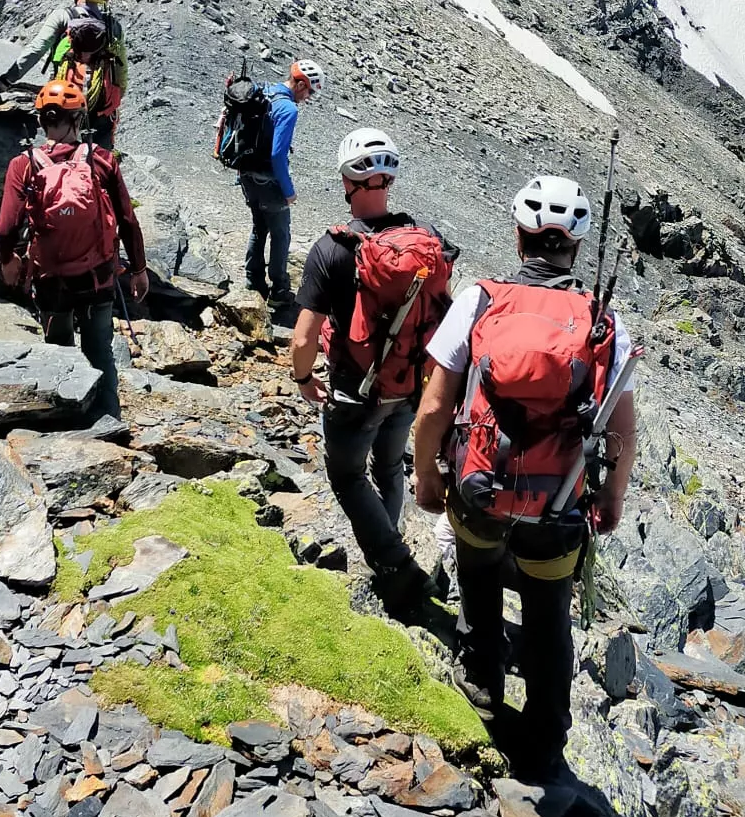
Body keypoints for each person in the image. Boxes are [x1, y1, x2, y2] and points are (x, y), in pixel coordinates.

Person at [411, 175, 638, 779]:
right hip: (558, 506)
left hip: (479, 490)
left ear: (519, 237)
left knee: (479, 581)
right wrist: (611, 499)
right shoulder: (603, 321)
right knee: (548, 614)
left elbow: (434, 406)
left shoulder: (479, 300)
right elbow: (623, 431)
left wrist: (427, 476)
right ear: (578, 246)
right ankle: (544, 738)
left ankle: (482, 687)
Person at [290, 129, 457, 615]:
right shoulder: (427, 240)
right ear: (389, 179)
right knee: (387, 466)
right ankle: (391, 545)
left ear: (347, 180)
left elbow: (304, 337)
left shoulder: (333, 249)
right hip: (408, 385)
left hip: (354, 387)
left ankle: (395, 568)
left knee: (345, 474)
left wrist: (303, 379)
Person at [0, 79, 148, 434]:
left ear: (41, 121)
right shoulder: (101, 159)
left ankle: (66, 428)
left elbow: (5, 227)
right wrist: (138, 269)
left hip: (51, 278)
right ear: (79, 118)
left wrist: (7, 260)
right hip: (97, 275)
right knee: (100, 352)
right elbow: (127, 218)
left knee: (59, 351)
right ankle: (109, 424)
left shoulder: (24, 164)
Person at [225, 58, 323, 309]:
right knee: (280, 234)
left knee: (259, 227)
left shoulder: (263, 92)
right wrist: (288, 192)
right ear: (301, 84)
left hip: (246, 174)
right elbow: (278, 155)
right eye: (310, 90)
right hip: (268, 181)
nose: (308, 96)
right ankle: (279, 290)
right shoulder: (288, 109)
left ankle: (253, 281)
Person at [36, 0, 130, 147]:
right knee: (100, 156)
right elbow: (121, 69)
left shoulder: (64, 17)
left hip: (65, 97)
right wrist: (116, 97)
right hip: (101, 105)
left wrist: (7, 79)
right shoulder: (113, 26)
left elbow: (37, 48)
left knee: (61, 150)